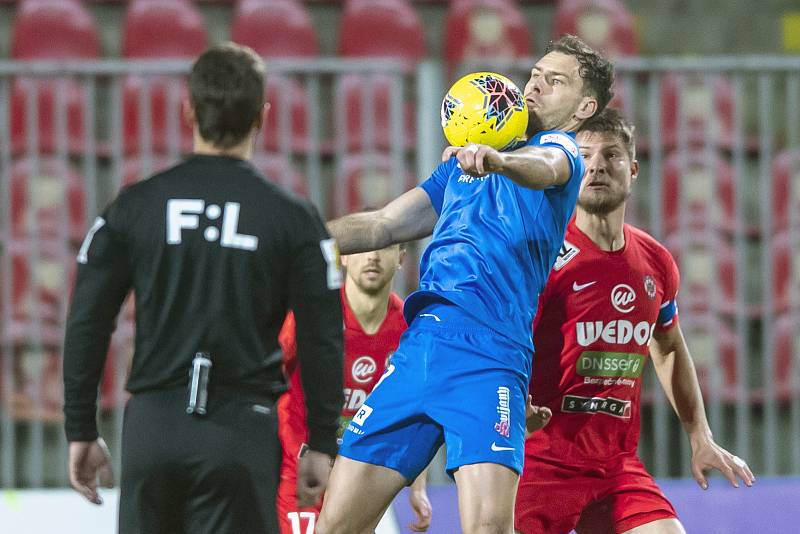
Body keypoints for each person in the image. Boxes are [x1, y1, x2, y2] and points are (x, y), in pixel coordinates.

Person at [317, 35, 615, 534]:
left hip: (489, 356)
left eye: (554, 80)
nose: (535, 85)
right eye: (536, 73)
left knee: (487, 530)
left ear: (584, 107)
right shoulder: (460, 165)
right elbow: (384, 226)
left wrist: (498, 160)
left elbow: (545, 169)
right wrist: (301, 242)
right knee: (334, 527)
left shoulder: (560, 153)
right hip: (422, 346)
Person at [62, 42, 344, 534]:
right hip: (242, 429)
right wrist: (322, 441)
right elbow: (323, 336)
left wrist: (81, 428)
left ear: (189, 110)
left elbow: (87, 317)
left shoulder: (136, 206)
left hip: (154, 424)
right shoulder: (292, 218)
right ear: (262, 116)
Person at [514, 108, 755, 534]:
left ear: (634, 169)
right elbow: (505, 343)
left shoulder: (656, 262)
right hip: (538, 458)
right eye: (584, 156)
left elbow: (669, 346)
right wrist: (514, 410)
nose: (597, 166)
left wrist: (700, 436)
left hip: (614, 466)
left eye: (612, 155)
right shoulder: (544, 255)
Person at [276, 243, 432, 534]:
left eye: (384, 248)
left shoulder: (409, 329)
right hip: (301, 470)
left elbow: (414, 409)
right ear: (344, 255)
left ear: (400, 258)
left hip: (360, 477)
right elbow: (269, 373)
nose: (372, 256)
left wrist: (418, 486)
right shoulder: (313, 314)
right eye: (363, 247)